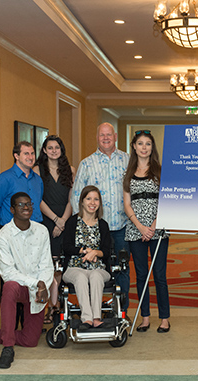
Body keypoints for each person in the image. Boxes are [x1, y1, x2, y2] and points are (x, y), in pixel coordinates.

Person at [0, 192, 54, 369]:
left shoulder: (41, 231)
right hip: (21, 287)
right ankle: (7, 348)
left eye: (29, 204)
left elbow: (47, 264)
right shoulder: (4, 235)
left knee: (30, 341)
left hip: (37, 291)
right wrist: (37, 283)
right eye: (21, 205)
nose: (26, 208)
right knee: (10, 286)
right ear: (12, 209)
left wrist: (43, 284)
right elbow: (8, 272)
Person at [72, 122, 130, 310]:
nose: (105, 138)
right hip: (95, 229)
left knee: (122, 268)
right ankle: (96, 309)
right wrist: (80, 227)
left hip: (122, 226)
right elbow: (76, 196)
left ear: (115, 137)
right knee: (95, 269)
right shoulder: (87, 163)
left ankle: (121, 310)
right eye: (102, 135)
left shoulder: (127, 160)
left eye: (109, 135)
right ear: (97, 138)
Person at [123, 131, 170, 333]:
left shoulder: (161, 171)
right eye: (140, 143)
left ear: (152, 147)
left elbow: (167, 201)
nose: (144, 147)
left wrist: (152, 225)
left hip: (158, 229)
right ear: (134, 146)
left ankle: (165, 318)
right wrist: (141, 227)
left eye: (148, 144)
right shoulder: (128, 172)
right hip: (135, 231)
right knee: (141, 275)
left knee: (160, 275)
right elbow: (127, 204)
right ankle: (145, 317)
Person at [33, 135, 75, 323]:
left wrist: (64, 220)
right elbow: (37, 199)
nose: (53, 151)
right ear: (44, 150)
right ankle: (50, 307)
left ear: (61, 149)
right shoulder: (37, 170)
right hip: (46, 221)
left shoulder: (70, 170)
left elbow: (72, 199)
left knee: (62, 267)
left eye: (57, 147)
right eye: (50, 148)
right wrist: (56, 220)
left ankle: (61, 305)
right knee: (48, 267)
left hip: (66, 220)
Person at [62, 186, 112, 330]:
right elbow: (66, 247)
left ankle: (96, 318)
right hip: (74, 267)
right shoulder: (72, 222)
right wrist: (84, 250)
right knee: (81, 277)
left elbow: (106, 251)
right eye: (88, 198)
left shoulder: (103, 225)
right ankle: (86, 319)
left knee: (95, 276)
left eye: (96, 199)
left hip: (98, 268)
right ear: (82, 202)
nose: (92, 202)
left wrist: (95, 252)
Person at [0, 141, 43, 229]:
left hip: (35, 230)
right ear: (16, 156)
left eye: (32, 153)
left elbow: (38, 202)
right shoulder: (4, 179)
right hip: (12, 230)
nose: (30, 157)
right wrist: (0, 225)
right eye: (26, 154)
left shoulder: (38, 180)